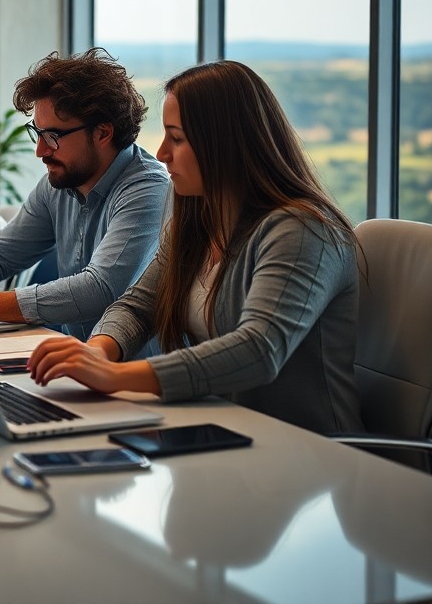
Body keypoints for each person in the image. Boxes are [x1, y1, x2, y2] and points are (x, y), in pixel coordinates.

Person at [28, 60, 363, 434]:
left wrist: (115, 376)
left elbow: (258, 350)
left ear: (225, 144)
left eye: (177, 138)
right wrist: (98, 351)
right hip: (216, 430)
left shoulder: (303, 231)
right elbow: (138, 307)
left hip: (302, 450)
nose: (161, 153)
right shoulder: (199, 221)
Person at [0, 48, 170, 339]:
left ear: (103, 133)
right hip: (74, 355)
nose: (40, 151)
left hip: (132, 366)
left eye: (52, 136)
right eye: (37, 133)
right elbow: (3, 252)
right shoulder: (59, 183)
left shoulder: (147, 189)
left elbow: (101, 288)